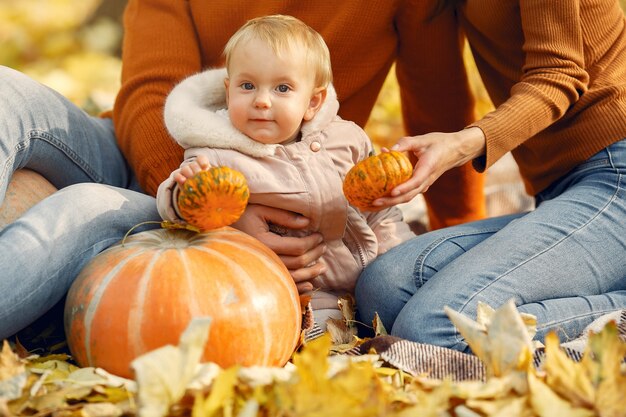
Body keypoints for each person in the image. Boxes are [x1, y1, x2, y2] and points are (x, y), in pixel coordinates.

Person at [0, 1, 483, 340]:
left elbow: (434, 104)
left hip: (291, 175)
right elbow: (150, 90)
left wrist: (454, 236)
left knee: (82, 209)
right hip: (173, 167)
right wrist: (221, 207)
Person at [355, 0, 626, 352]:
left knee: (433, 328)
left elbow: (560, 74)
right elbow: (436, 88)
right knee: (383, 288)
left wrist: (464, 144)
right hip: (564, 192)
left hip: (617, 173)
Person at [156, 15, 415, 328]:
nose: (262, 101)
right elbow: (185, 210)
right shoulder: (215, 155)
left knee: (405, 309)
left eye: (282, 88)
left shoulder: (346, 140)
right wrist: (183, 192)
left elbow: (379, 215)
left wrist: (398, 254)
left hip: (370, 271)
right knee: (321, 335)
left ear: (312, 102)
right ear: (228, 92)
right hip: (298, 288)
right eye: (247, 86)